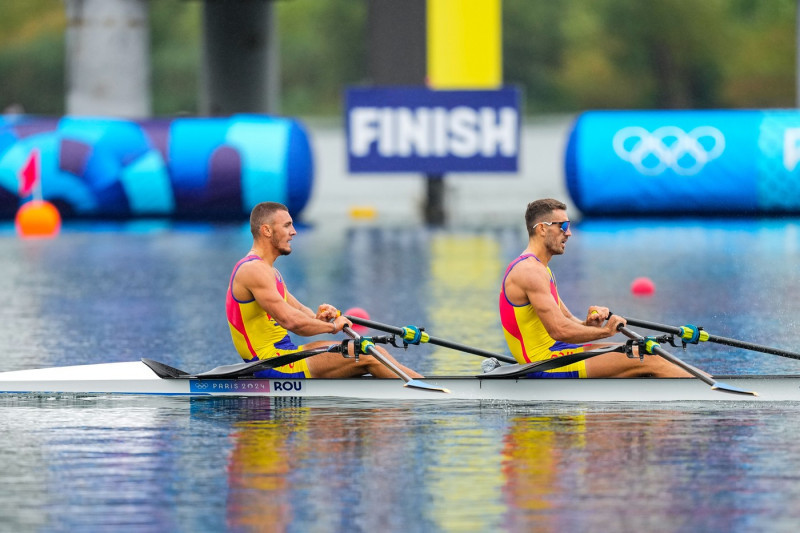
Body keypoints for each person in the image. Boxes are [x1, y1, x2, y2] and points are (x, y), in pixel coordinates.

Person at [227, 201, 423, 379]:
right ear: (267, 230)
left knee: (373, 351)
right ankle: (433, 391)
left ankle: (421, 386)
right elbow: (291, 322)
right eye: (287, 225)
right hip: (271, 363)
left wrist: (319, 318)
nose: (294, 232)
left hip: (286, 354)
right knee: (367, 355)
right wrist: (333, 327)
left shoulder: (271, 272)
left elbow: (301, 314)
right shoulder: (253, 270)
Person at [499, 198, 689, 378]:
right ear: (542, 228)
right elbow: (559, 330)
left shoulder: (541, 269)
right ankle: (710, 391)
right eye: (563, 226)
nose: (569, 233)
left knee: (642, 351)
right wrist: (607, 331)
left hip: (558, 353)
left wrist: (589, 324)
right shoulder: (529, 271)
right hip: (545, 364)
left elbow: (569, 322)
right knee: (648, 357)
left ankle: (699, 387)